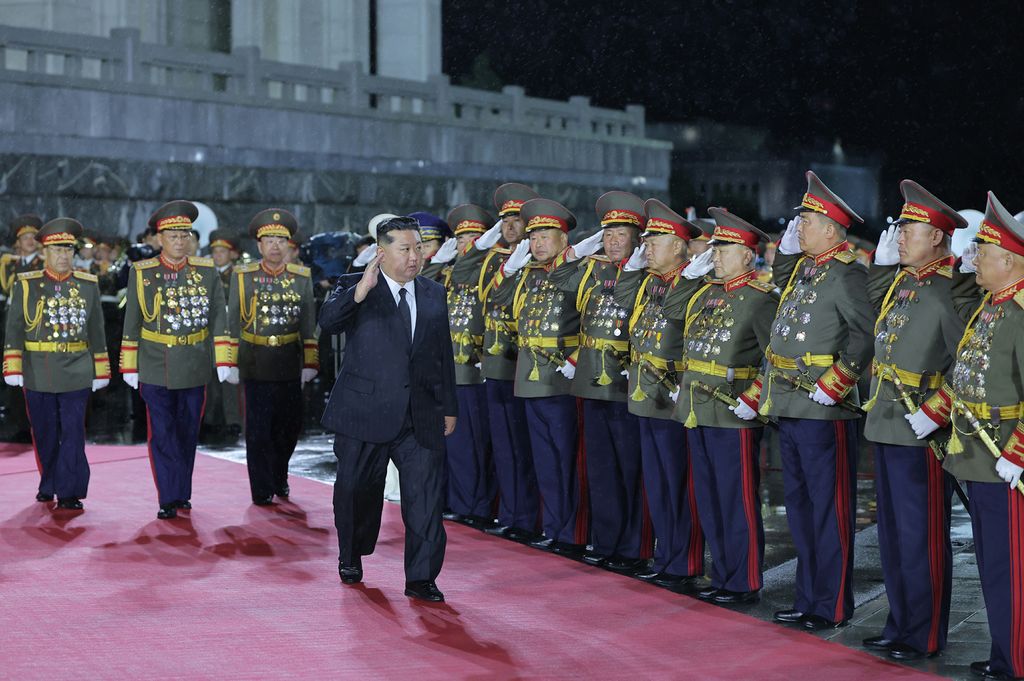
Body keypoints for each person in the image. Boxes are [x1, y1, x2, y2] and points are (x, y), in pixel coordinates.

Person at [858, 180, 980, 660]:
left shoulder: (952, 289)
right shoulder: (905, 282)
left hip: (921, 426)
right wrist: (884, 266)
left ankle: (924, 633)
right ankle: (900, 622)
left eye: (911, 227)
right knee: (892, 535)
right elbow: (875, 318)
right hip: (887, 421)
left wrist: (938, 410)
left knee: (921, 536)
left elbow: (968, 360)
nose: (900, 234)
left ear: (938, 237)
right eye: (901, 225)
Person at [906, 192, 1024, 681]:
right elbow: (966, 376)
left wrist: (1019, 451)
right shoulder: (989, 307)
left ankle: (1017, 658)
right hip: (977, 455)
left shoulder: (1019, 313)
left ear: (1012, 261)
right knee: (992, 564)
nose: (974, 259)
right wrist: (935, 411)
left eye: (984, 252)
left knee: (1012, 567)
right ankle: (1004, 651)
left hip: (1005, 460)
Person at [319, 215, 457, 603]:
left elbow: (442, 354)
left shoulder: (433, 293)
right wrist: (360, 290)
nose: (415, 257)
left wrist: (449, 406)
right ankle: (351, 554)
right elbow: (328, 323)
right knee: (355, 492)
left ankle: (421, 577)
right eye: (405, 249)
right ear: (382, 252)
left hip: (421, 414)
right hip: (364, 412)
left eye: (418, 248)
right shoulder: (355, 287)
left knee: (426, 498)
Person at [761, 171, 874, 630]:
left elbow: (864, 335)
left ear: (830, 229)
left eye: (805, 221)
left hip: (822, 408)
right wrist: (789, 253)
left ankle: (831, 604)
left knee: (829, 511)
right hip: (791, 405)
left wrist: (839, 379)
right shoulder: (809, 269)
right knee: (802, 510)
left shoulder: (846, 275)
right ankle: (809, 598)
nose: (797, 228)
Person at [674, 207, 776, 604]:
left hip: (733, 410)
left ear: (747, 255)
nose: (714, 257)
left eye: (723, 250)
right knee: (710, 498)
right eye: (715, 250)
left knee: (738, 499)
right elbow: (671, 317)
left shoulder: (759, 300)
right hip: (698, 407)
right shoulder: (705, 293)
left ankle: (744, 579)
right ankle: (723, 575)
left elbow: (776, 356)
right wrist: (685, 281)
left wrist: (754, 400)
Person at [548, 190, 647, 572]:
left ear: (637, 238)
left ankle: (633, 546)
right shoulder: (593, 267)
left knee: (629, 467)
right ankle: (607, 541)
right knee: (601, 467)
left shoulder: (644, 274)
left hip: (624, 381)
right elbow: (559, 281)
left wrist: (634, 268)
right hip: (592, 379)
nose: (613, 242)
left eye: (620, 235)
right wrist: (576, 253)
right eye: (608, 235)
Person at [120, 200, 235, 520]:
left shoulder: (206, 271)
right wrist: (129, 364)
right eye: (173, 235)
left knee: (187, 431)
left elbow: (217, 316)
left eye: (185, 234)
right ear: (159, 238)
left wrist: (223, 358)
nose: (180, 241)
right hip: (155, 363)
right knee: (162, 432)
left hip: (195, 362)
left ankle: (182, 490)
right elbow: (133, 320)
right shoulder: (142, 272)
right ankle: (168, 496)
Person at [613, 199, 706, 590]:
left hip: (673, 395)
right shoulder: (652, 280)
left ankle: (684, 562)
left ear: (680, 248)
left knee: (678, 482)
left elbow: (676, 315)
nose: (645, 247)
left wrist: (684, 282)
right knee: (657, 482)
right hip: (646, 391)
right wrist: (632, 272)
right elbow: (622, 304)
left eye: (655, 241)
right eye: (647, 240)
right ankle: (666, 555)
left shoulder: (691, 282)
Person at [488, 198, 587, 555]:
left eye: (546, 236)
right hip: (529, 377)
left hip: (561, 379)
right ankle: (555, 527)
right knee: (544, 459)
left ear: (564, 239)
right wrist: (511, 267)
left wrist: (576, 359)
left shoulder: (580, 269)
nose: (538, 244)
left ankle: (573, 532)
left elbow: (594, 321)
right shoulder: (527, 273)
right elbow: (495, 298)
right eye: (535, 238)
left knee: (566, 460)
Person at [449, 183, 540, 541]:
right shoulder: (490, 259)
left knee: (525, 448)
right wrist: (480, 246)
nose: (510, 227)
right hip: (496, 364)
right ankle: (511, 514)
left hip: (526, 362)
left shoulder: (539, 258)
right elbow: (459, 277)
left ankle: (528, 517)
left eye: (517, 220)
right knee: (504, 447)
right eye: (505, 221)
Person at [2, 218, 109, 509]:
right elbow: (14, 327)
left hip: (76, 367)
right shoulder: (27, 284)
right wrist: (12, 365)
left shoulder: (87, 285)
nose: (63, 256)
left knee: (73, 431)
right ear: (45, 252)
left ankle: (70, 490)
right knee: (45, 431)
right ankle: (49, 480)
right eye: (57, 251)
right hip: (39, 368)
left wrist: (101, 368)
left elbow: (97, 330)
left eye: (68, 251)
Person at [227, 209, 318, 505]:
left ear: (290, 245)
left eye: (281, 239)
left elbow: (308, 322)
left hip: (289, 361)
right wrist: (229, 361)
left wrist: (310, 361)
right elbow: (232, 325)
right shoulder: (243, 277)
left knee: (289, 428)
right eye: (269, 240)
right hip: (255, 361)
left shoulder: (301, 278)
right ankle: (262, 487)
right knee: (258, 430)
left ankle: (280, 474)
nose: (275, 245)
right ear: (259, 245)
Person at [433, 204, 496, 525]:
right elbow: (421, 283)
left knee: (474, 445)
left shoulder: (492, 271)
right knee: (447, 445)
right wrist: (439, 258)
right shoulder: (446, 272)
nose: (466, 245)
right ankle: (452, 498)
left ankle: (476, 506)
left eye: (475, 238)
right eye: (461, 239)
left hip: (474, 369)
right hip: (447, 370)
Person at [1, 214, 45, 443]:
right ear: (17, 242)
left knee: (31, 372)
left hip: (33, 320)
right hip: (10, 320)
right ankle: (15, 421)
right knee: (11, 368)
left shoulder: (44, 263)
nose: (29, 241)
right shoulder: (10, 264)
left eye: (32, 237)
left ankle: (30, 423)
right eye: (24, 237)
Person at [202, 228, 244, 444]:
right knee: (210, 378)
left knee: (229, 379)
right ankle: (210, 419)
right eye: (215, 251)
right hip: (209, 333)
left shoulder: (238, 274)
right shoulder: (206, 273)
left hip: (231, 332)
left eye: (222, 251)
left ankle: (232, 421)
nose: (218, 255)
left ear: (232, 253)